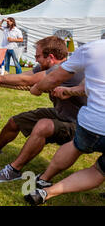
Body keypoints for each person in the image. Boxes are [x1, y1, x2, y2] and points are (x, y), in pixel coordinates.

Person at [0, 36, 86, 183]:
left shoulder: (64, 69)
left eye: (38, 56)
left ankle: (14, 170)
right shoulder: (48, 67)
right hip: (62, 114)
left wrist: (0, 79)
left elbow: (29, 81)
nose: (35, 59)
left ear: (50, 57)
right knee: (15, 121)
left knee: (43, 126)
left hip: (80, 124)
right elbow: (24, 75)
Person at [24, 38, 105, 205]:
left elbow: (55, 78)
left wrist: (38, 88)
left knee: (76, 147)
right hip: (95, 121)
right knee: (99, 171)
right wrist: (69, 91)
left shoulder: (92, 49)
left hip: (93, 123)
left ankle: (45, 188)